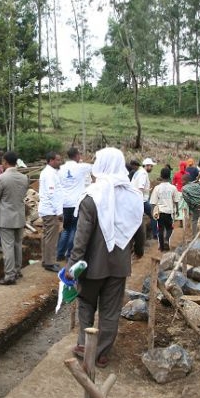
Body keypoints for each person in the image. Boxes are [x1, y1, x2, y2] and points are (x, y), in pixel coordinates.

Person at [67, 147, 145, 368]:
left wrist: (73, 267)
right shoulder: (133, 195)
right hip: (119, 265)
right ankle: (101, 353)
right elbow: (139, 227)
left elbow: (80, 239)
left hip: (91, 265)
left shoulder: (91, 197)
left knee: (85, 305)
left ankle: (84, 345)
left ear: (101, 165)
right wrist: (138, 249)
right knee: (111, 311)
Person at [0, 151, 29, 285]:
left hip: (6, 217)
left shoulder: (1, 178)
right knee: (17, 245)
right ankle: (17, 270)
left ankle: (9, 275)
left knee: (7, 247)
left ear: (5, 162)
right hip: (19, 215)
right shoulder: (24, 178)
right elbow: (23, 195)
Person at [57, 147, 92, 262]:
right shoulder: (81, 167)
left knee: (66, 229)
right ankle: (69, 255)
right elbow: (96, 168)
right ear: (77, 155)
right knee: (74, 229)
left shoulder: (60, 169)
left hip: (64, 203)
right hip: (76, 204)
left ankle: (60, 253)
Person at [38, 151, 63, 272]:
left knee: (47, 235)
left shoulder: (50, 173)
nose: (60, 162)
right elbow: (52, 194)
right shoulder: (49, 174)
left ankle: (46, 260)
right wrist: (59, 212)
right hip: (50, 210)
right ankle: (49, 262)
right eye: (58, 160)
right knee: (51, 237)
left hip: (48, 209)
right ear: (51, 161)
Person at [149, 167, 179, 251]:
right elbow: (176, 201)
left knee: (160, 229)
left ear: (161, 176)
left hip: (160, 212)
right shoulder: (173, 188)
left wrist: (152, 212)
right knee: (169, 228)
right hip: (169, 212)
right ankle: (166, 240)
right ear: (169, 176)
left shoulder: (157, 188)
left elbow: (153, 202)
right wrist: (177, 211)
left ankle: (161, 247)